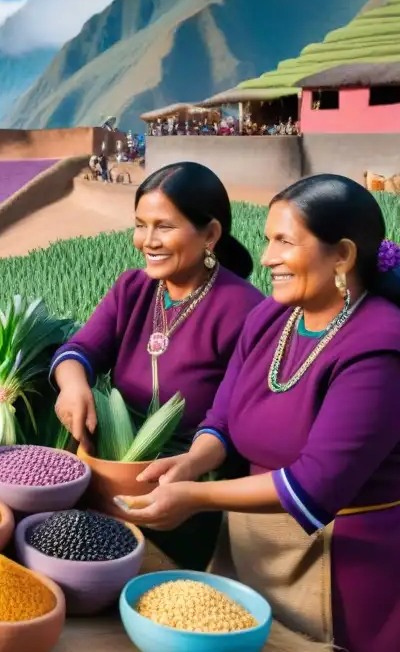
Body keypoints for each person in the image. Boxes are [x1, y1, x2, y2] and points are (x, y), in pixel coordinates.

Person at [118, 174, 400, 652]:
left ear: (341, 255)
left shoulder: (381, 347)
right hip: (252, 550)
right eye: (268, 238)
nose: (267, 257)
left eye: (284, 241)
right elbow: (224, 419)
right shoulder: (272, 318)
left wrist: (196, 496)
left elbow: (316, 486)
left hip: (343, 569)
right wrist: (191, 462)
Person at [50, 162, 264, 570]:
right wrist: (73, 384)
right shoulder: (133, 289)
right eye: (140, 225)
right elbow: (79, 350)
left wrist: (192, 469)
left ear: (211, 234)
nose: (147, 241)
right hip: (107, 477)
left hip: (186, 496)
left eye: (164, 227)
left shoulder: (243, 310)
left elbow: (237, 418)